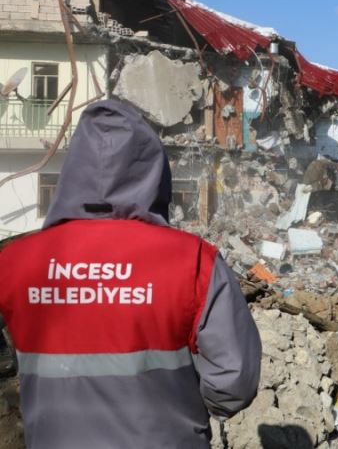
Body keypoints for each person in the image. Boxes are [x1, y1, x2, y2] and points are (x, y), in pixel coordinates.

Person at [0, 100, 262, 449]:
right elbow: (234, 382)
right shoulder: (194, 260)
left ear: (73, 171)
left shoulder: (14, 261)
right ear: (153, 171)